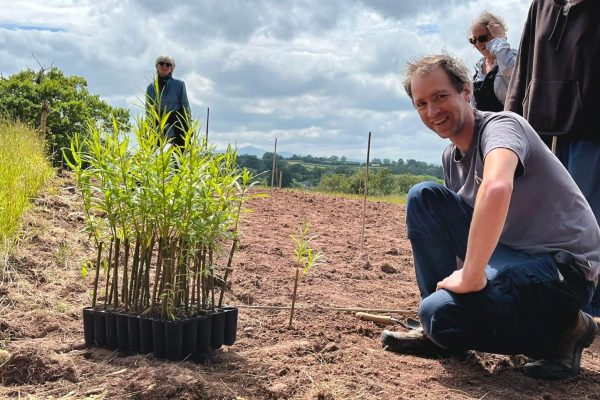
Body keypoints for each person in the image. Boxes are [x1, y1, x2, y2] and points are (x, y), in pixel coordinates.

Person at [380, 53, 600, 380]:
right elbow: (463, 229)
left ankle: (566, 330)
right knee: (424, 197)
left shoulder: (501, 128)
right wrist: (463, 284)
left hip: (561, 270)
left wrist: (470, 277)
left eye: (440, 97)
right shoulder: (451, 157)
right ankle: (438, 334)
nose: (432, 111)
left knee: (441, 316)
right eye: (421, 103)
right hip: (508, 258)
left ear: (466, 92)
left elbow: (496, 187)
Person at [504, 0, 600, 317]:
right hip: (540, 129)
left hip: (591, 130)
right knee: (541, 217)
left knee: (588, 217)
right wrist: (510, 123)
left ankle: (589, 304)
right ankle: (546, 296)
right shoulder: (541, 6)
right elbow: (523, 70)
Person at [469, 11, 517, 112]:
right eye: (473, 40)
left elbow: (511, 73)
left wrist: (500, 40)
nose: (478, 44)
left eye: (482, 38)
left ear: (496, 35)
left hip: (510, 124)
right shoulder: (478, 69)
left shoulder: (511, 57)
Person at [146, 55, 191, 147]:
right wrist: (148, 127)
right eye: (161, 63)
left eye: (168, 64)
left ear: (171, 68)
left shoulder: (179, 85)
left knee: (179, 153)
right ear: (157, 66)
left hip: (177, 123)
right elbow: (148, 110)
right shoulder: (150, 88)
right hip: (157, 123)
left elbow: (185, 106)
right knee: (155, 152)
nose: (164, 66)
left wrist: (188, 126)